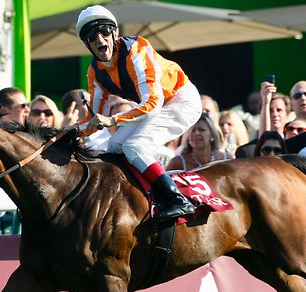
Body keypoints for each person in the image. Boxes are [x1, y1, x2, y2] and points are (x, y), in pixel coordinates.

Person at [75, 5, 202, 222]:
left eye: (104, 31)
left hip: (182, 100)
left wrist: (114, 119)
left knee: (135, 146)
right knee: (113, 147)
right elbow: (94, 119)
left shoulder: (136, 51)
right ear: (87, 43)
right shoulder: (94, 72)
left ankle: (177, 200)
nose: (99, 39)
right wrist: (70, 133)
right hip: (156, 106)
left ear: (114, 33)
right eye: (91, 35)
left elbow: (153, 103)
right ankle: (134, 199)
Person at [166, 113, 232, 171]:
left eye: (202, 129)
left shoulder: (226, 159)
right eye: (192, 130)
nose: (196, 133)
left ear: (212, 134)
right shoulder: (178, 162)